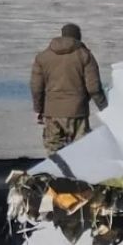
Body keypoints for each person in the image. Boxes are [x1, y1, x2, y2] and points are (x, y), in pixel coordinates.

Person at [31, 23, 107, 155]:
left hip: (52, 113)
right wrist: (105, 108)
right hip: (78, 112)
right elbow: (94, 87)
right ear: (78, 37)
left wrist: (38, 109)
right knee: (81, 151)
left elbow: (36, 87)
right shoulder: (85, 56)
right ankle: (79, 174)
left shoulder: (43, 57)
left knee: (54, 151)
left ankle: (56, 173)